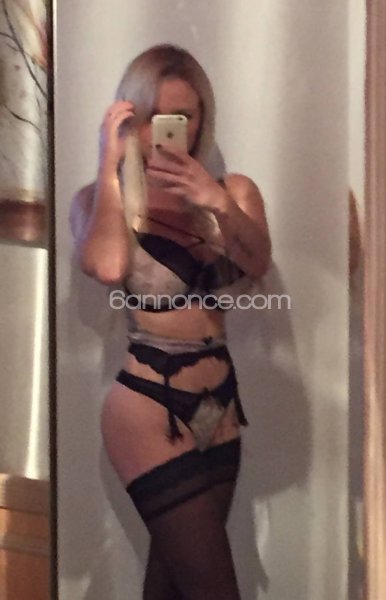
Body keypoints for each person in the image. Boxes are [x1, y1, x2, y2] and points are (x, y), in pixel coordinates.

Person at [70, 43, 271, 600]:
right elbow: (108, 267)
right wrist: (109, 168)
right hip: (148, 404)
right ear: (130, 118)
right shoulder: (99, 200)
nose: (167, 130)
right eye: (154, 116)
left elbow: (258, 262)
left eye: (183, 116)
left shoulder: (234, 192)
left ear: (202, 119)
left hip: (220, 407)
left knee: (171, 589)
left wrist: (217, 203)